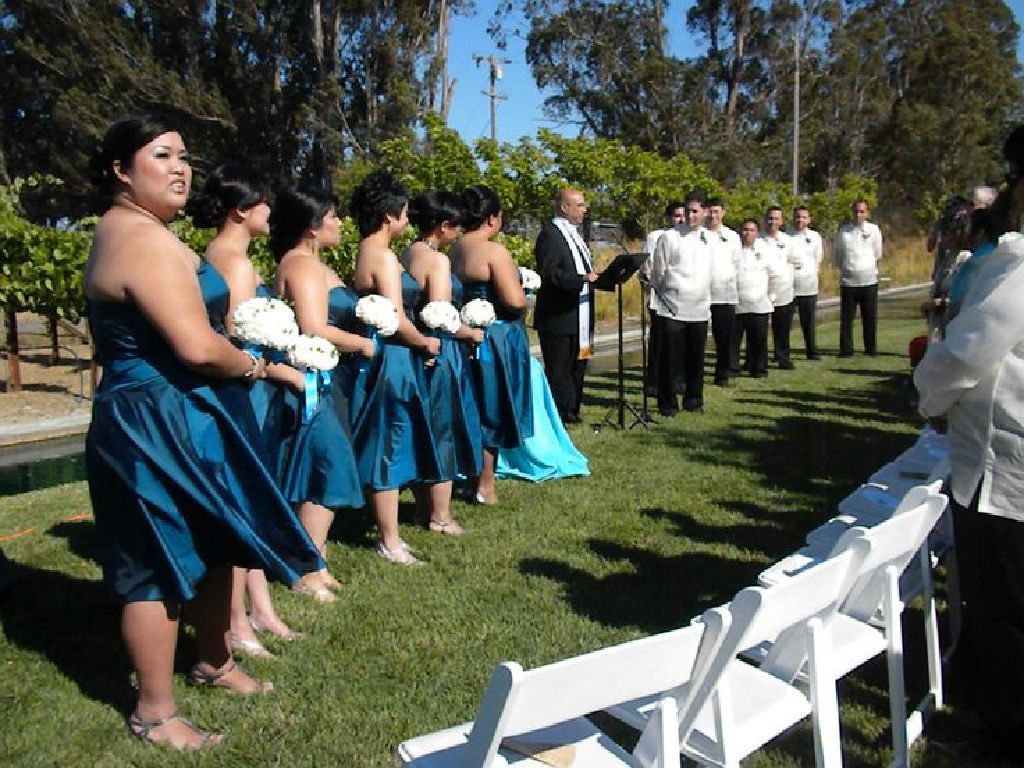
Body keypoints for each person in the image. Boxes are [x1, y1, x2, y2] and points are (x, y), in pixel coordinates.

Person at [85, 113, 323, 749]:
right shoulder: (139, 238)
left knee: (217, 542)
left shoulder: (147, 230)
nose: (180, 168)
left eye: (185, 157)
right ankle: (155, 713)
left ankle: (214, 661)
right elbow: (194, 346)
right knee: (155, 561)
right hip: (153, 421)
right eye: (162, 156)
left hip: (185, 413)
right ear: (121, 170)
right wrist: (257, 366)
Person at [914, 134, 1024, 756]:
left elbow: (968, 350)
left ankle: (1005, 728)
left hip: (1003, 469)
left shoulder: (1018, 261)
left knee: (1006, 602)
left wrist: (926, 394)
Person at [189, 165, 308, 657]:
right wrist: (278, 365)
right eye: (263, 204)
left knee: (251, 493)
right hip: (244, 381)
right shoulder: (233, 262)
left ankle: (259, 606)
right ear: (242, 211)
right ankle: (237, 619)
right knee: (242, 493)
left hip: (240, 378)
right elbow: (238, 332)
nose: (270, 213)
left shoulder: (217, 255)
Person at [349, 172, 442, 565]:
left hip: (381, 356)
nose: (407, 219)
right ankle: (389, 539)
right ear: (389, 216)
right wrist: (424, 341)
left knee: (386, 436)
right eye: (404, 212)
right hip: (392, 358)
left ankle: (389, 530)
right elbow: (395, 315)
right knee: (389, 439)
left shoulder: (364, 249)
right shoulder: (384, 257)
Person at [402, 189, 485, 534]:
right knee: (444, 428)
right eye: (454, 224)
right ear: (442, 226)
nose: (457, 231)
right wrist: (472, 333)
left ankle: (424, 508)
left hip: (413, 350)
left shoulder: (408, 252)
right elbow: (440, 315)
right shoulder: (437, 260)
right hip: (440, 350)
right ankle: (441, 514)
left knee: (423, 426)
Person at [451, 185, 532, 504]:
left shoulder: (455, 249)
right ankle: (485, 485)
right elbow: (513, 301)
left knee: (474, 406)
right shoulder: (494, 252)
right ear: (492, 218)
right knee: (493, 408)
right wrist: (524, 292)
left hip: (464, 335)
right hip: (495, 337)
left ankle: (473, 479)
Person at [533, 188, 598, 425]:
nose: (584, 209)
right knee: (560, 368)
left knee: (578, 364)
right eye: (579, 205)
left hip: (581, 312)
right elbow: (549, 273)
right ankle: (559, 415)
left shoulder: (575, 235)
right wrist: (581, 279)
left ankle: (572, 410)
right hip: (559, 315)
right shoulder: (551, 235)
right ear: (564, 207)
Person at [648, 191, 712, 414]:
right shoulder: (670, 237)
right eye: (687, 211)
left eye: (695, 211)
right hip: (673, 308)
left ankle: (694, 400)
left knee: (695, 359)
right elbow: (658, 271)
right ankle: (667, 403)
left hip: (699, 309)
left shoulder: (708, 238)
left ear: (704, 212)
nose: (690, 216)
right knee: (669, 360)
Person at [640, 202, 686, 396]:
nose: (681, 219)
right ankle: (654, 383)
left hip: (683, 301)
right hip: (659, 298)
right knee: (659, 344)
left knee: (680, 345)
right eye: (677, 215)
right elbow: (647, 265)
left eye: (683, 215)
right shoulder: (656, 237)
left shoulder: (689, 237)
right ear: (668, 218)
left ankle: (678, 381)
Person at [732, 219, 781, 377]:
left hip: (760, 304)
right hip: (737, 304)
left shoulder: (765, 251)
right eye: (745, 230)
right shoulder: (734, 250)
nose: (748, 233)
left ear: (757, 233)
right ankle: (732, 368)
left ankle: (759, 369)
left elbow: (775, 275)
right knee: (733, 341)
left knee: (759, 340)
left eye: (752, 230)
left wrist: (771, 297)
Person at [834, 199, 883, 356]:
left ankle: (870, 349)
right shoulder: (844, 232)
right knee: (847, 320)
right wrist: (847, 269)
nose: (858, 214)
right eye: (856, 211)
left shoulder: (874, 230)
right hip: (849, 282)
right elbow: (838, 255)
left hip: (869, 281)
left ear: (867, 213)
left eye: (862, 211)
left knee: (869, 317)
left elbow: (878, 253)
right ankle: (846, 350)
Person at [705, 197, 740, 386]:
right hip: (700, 295)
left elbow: (736, 264)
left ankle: (722, 375)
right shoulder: (699, 234)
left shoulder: (732, 236)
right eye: (710, 211)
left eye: (716, 211)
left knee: (724, 339)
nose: (713, 215)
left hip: (724, 295)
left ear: (723, 213)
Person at [761, 206, 795, 370]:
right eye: (770, 218)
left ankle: (782, 357)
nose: (772, 222)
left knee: (782, 327)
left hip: (783, 290)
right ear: (765, 220)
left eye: (776, 219)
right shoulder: (758, 239)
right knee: (758, 328)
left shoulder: (788, 241)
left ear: (782, 221)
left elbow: (796, 261)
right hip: (760, 291)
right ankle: (756, 359)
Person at [789, 205, 824, 359]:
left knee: (808, 322)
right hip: (788, 287)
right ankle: (782, 353)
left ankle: (812, 351)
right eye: (797, 216)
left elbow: (818, 259)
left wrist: (811, 274)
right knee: (784, 324)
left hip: (808, 286)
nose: (800, 220)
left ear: (809, 219)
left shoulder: (815, 237)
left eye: (803, 217)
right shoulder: (786, 236)